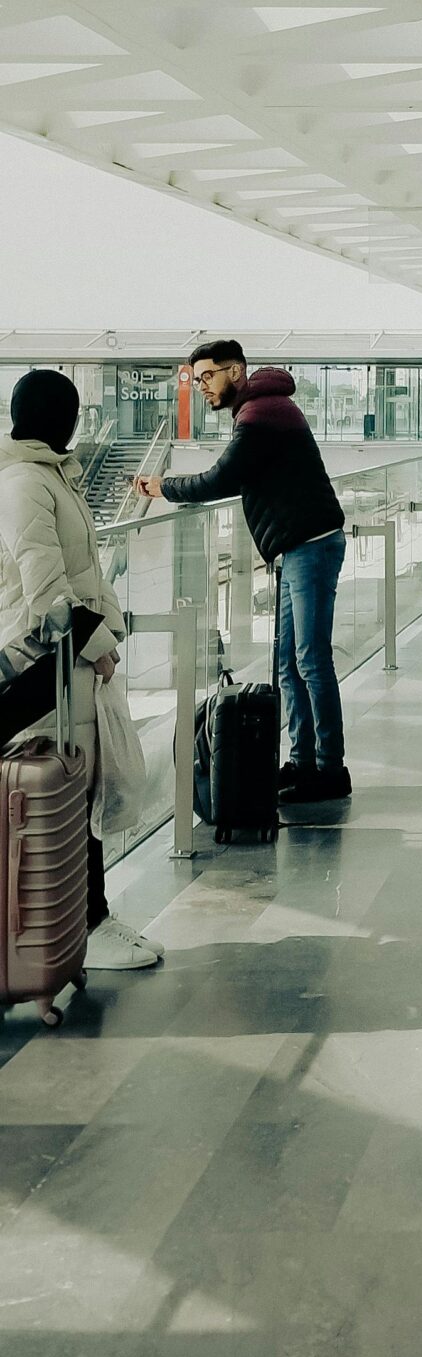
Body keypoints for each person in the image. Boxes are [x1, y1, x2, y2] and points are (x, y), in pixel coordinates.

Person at [136, 344, 350, 805]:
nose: (202, 387)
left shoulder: (260, 415)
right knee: (289, 665)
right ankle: (303, 763)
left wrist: (163, 487)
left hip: (311, 547)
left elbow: (220, 479)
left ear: (235, 371)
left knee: (311, 660)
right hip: (298, 546)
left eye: (207, 376)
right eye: (196, 379)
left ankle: (331, 769)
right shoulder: (261, 409)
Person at [0, 370, 162, 972]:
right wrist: (98, 643)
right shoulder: (25, 483)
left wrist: (105, 632)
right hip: (40, 666)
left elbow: (86, 571)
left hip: (68, 659)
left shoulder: (50, 478)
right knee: (64, 789)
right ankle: (82, 927)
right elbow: (46, 591)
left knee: (79, 786)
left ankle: (87, 921)